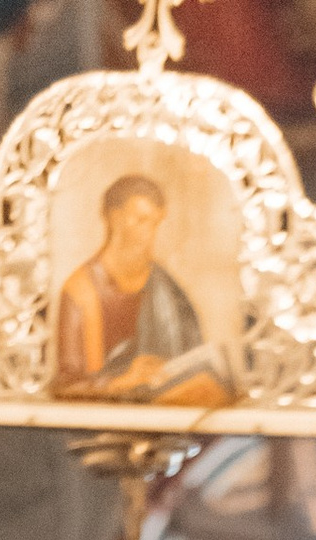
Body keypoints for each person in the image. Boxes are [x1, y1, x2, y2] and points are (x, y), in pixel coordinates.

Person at [54, 171, 232, 407]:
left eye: (154, 223)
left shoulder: (164, 286)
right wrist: (123, 381)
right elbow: (67, 385)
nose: (148, 234)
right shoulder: (81, 290)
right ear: (115, 219)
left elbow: (194, 361)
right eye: (140, 220)